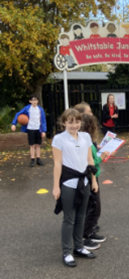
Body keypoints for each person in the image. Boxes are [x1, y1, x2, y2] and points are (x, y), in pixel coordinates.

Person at [52, 108, 99, 267]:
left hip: (84, 181)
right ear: (64, 122)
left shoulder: (85, 136)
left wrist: (93, 180)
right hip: (69, 183)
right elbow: (57, 164)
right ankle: (67, 252)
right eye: (70, 122)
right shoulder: (59, 139)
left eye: (77, 121)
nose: (74, 125)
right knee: (69, 219)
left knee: (81, 217)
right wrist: (56, 186)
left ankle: (79, 247)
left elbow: (90, 160)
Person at [80, 114, 110, 250]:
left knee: (94, 206)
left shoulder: (88, 141)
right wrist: (101, 157)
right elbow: (89, 162)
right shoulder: (83, 141)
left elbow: (93, 156)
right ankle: (84, 236)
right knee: (93, 206)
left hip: (93, 175)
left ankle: (89, 232)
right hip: (89, 175)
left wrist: (102, 154)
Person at [11, 95, 47, 167]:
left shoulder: (40, 109)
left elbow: (43, 120)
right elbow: (18, 114)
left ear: (37, 101)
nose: (34, 101)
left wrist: (43, 130)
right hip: (30, 128)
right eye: (33, 100)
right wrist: (13, 124)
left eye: (36, 100)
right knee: (32, 145)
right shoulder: (27, 108)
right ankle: (32, 160)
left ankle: (38, 159)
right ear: (30, 101)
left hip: (38, 129)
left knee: (38, 145)